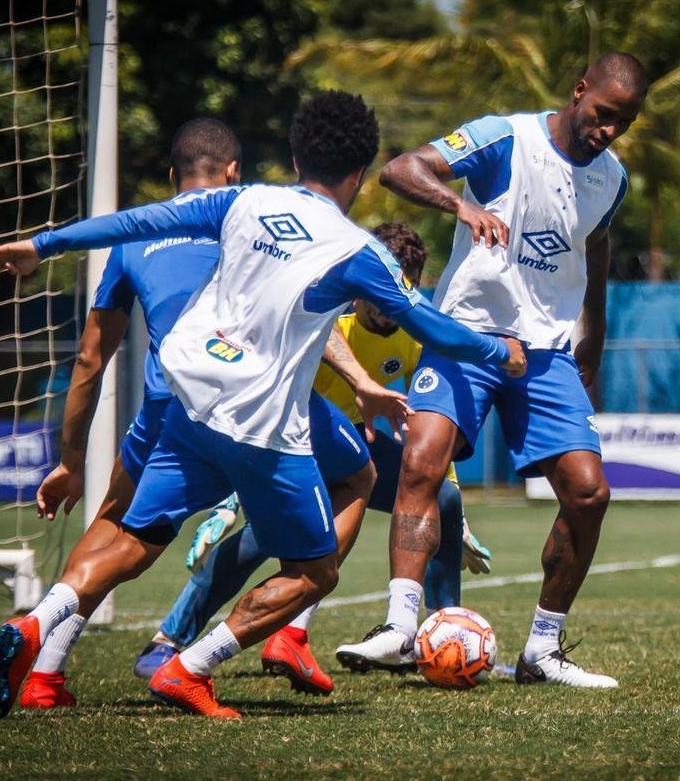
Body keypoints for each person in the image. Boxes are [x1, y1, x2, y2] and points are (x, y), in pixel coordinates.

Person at [0, 90, 526, 719]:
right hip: (263, 424)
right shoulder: (358, 252)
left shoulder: (245, 199)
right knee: (315, 571)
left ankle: (36, 624)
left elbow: (137, 223)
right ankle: (191, 666)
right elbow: (436, 329)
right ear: (358, 173)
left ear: (295, 157)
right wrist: (500, 353)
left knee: (135, 536)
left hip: (189, 399)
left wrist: (42, 245)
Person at [15, 117, 393, 710]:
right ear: (235, 171)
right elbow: (296, 314)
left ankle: (44, 668)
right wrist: (363, 381)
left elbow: (90, 359)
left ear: (172, 177)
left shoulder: (134, 242)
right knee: (356, 477)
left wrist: (68, 463)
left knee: (119, 531)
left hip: (168, 399)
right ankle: (283, 630)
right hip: (252, 397)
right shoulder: (254, 217)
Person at [335, 53, 647, 688]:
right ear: (579, 89)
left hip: (548, 352)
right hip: (467, 334)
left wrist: (598, 332)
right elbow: (403, 169)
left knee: (589, 494)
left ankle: (543, 649)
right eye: (604, 114)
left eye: (624, 122)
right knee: (422, 461)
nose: (608, 130)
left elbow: (597, 242)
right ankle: (399, 628)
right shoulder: (506, 136)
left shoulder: (611, 178)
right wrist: (462, 206)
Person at [132, 222, 496, 692]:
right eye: (380, 293)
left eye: (399, 293)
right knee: (259, 541)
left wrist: (455, 509)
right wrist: (231, 501)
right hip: (291, 449)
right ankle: (169, 639)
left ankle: (440, 635)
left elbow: (430, 427)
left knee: (443, 500)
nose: (388, 307)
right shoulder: (329, 327)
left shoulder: (412, 335)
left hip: (355, 458)